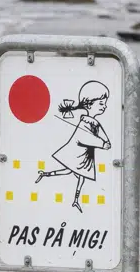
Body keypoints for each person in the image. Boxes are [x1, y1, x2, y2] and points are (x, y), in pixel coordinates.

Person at [36, 81, 111, 212]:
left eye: (105, 103)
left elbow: (101, 132)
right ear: (89, 103)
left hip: (86, 155)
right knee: (72, 173)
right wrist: (102, 144)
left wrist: (106, 141)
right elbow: (84, 138)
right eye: (101, 103)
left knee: (73, 174)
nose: (104, 106)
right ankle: (73, 198)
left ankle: (47, 176)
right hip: (78, 152)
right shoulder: (85, 121)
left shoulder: (94, 121)